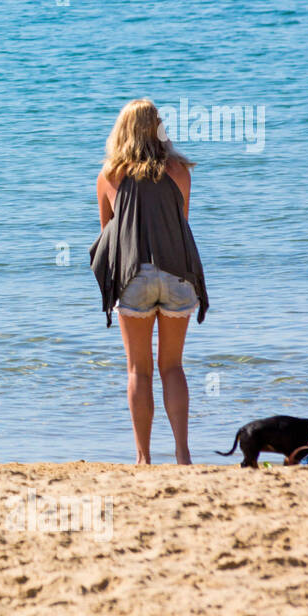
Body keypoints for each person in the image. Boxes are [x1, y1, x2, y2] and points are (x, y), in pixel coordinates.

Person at [90, 99, 209, 465]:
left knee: (138, 369)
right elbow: (181, 224)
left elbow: (108, 233)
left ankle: (143, 458)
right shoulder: (180, 171)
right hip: (177, 274)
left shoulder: (110, 176)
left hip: (133, 277)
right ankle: (183, 454)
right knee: (172, 367)